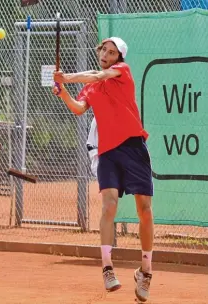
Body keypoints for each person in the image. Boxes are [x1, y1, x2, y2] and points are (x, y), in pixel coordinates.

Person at [52, 37, 154, 303]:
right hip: (107, 151)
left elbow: (98, 74)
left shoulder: (123, 71)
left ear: (119, 58)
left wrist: (68, 77)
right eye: (104, 51)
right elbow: (78, 109)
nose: (106, 55)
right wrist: (63, 92)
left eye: (112, 52)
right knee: (109, 206)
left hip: (134, 148)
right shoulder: (91, 89)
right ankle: (108, 269)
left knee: (144, 209)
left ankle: (145, 272)